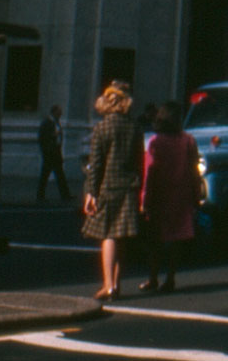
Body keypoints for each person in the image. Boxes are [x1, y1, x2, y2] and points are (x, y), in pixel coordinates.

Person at [82, 81, 144, 300]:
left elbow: (96, 164)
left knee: (108, 236)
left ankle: (107, 284)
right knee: (122, 237)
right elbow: (139, 161)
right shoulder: (135, 127)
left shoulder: (103, 127)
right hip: (129, 187)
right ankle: (116, 285)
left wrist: (90, 192)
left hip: (108, 187)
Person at [139, 102, 201, 294]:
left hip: (160, 195)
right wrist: (196, 195)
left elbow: (149, 172)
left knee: (154, 240)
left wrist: (144, 200)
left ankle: (152, 278)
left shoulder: (155, 142)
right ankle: (171, 278)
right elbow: (194, 171)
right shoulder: (188, 140)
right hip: (182, 195)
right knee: (176, 240)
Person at [38, 105, 72, 202]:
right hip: (49, 153)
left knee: (60, 175)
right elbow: (43, 138)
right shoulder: (47, 123)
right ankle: (40, 196)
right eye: (59, 112)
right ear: (54, 112)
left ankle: (65, 194)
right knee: (45, 175)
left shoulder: (56, 122)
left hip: (56, 152)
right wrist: (53, 137)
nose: (60, 114)